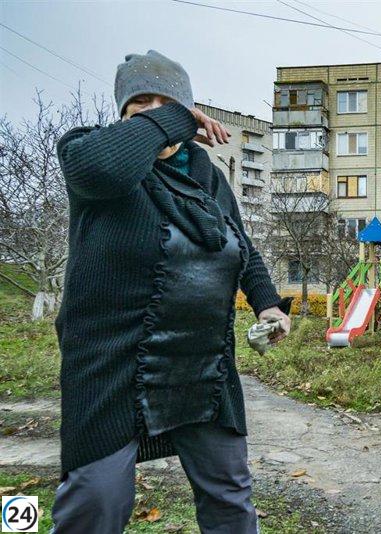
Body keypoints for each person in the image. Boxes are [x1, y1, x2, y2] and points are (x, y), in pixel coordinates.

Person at [50, 50, 291, 533]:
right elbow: (103, 168)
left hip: (202, 364)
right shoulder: (91, 152)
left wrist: (269, 306)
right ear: (123, 113)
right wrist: (170, 118)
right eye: (141, 102)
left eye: (169, 101)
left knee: (230, 494)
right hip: (112, 364)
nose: (155, 109)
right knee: (97, 500)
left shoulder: (206, 175)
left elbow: (240, 245)